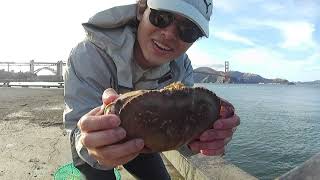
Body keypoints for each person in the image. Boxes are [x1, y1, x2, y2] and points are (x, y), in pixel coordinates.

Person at [63, 0, 240, 179]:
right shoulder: (88, 55)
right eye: (161, 17)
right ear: (141, 10)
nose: (169, 34)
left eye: (189, 30)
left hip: (144, 143)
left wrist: (207, 136)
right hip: (93, 144)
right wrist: (88, 140)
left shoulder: (182, 67)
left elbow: (178, 128)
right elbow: (77, 127)